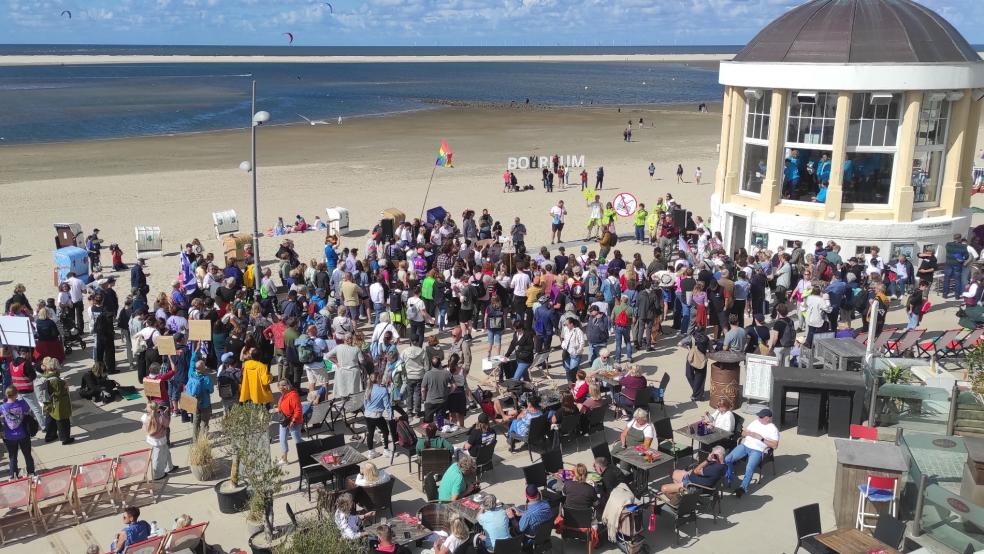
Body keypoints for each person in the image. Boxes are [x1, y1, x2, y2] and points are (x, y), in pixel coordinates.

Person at [725, 408, 780, 497]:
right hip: (745, 446)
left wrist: (761, 438)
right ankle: (729, 478)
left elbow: (775, 445)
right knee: (728, 459)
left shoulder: (773, 429)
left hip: (757, 450)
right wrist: (749, 434)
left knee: (749, 467)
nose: (758, 418)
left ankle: (743, 488)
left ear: (767, 418)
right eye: (759, 416)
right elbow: (743, 433)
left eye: (761, 417)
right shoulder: (755, 422)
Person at [659, 446, 727, 502]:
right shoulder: (722, 465)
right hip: (692, 479)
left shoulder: (715, 468)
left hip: (693, 486)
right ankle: (679, 496)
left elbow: (696, 471)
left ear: (720, 455)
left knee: (664, 489)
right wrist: (691, 472)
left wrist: (707, 460)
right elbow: (698, 471)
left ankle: (677, 502)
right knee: (672, 473)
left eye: (714, 455)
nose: (711, 456)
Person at [1, 386, 35, 477]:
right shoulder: (22, 403)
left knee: (12, 457)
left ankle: (13, 474)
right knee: (27, 454)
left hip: (9, 436)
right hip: (23, 433)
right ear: (16, 395)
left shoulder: (2, 407)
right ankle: (31, 472)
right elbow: (28, 411)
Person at [41, 358, 74, 444]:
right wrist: (65, 385)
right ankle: (65, 438)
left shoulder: (45, 377)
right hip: (59, 404)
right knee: (63, 421)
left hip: (49, 403)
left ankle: (50, 436)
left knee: (51, 419)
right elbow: (59, 393)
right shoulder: (56, 380)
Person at [364, 371, 394, 458]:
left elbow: (365, 403)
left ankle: (371, 452)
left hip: (367, 415)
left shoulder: (368, 388)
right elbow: (387, 405)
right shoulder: (382, 390)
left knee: (370, 433)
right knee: (386, 431)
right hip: (376, 416)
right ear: (378, 379)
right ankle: (386, 450)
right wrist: (390, 415)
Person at [141, 401, 174, 480]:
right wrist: (165, 414)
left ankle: (169, 467)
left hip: (153, 439)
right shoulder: (160, 417)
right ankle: (157, 475)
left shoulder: (146, 417)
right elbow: (167, 424)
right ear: (157, 408)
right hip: (160, 439)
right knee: (158, 457)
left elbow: (143, 428)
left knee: (166, 452)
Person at [276, 380, 303, 464]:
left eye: (284, 385)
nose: (281, 387)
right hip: (284, 421)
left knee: (297, 440)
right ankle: (284, 459)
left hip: (293, 422)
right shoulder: (283, 395)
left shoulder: (293, 395)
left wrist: (293, 421)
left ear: (288, 385)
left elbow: (298, 410)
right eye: (280, 386)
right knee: (282, 439)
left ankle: (306, 453)